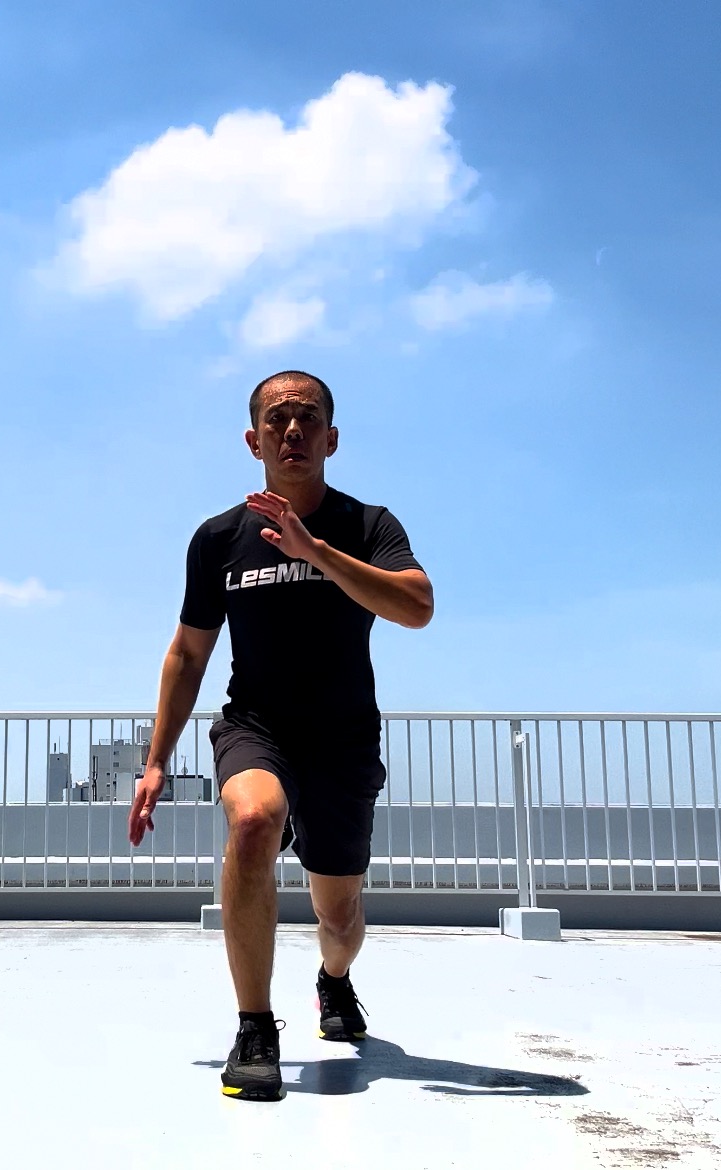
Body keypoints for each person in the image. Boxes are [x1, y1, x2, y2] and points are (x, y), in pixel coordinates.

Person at [127, 370, 434, 1102]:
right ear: (253, 440)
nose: (292, 430)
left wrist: (313, 551)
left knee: (339, 917)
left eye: (307, 418)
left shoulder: (368, 525)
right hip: (255, 725)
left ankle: (333, 981)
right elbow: (188, 653)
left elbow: (417, 606)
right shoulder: (217, 539)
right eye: (276, 419)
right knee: (254, 821)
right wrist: (155, 761)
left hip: (342, 740)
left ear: (331, 438)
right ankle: (255, 1028)